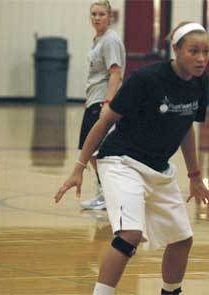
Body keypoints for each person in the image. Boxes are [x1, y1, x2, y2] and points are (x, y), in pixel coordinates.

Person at [54, 22, 209, 295]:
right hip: (121, 161)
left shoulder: (201, 82)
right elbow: (105, 121)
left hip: (159, 168)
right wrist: (79, 167)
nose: (201, 58)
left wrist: (195, 176)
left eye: (206, 52)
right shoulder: (146, 79)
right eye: (193, 51)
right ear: (175, 50)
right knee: (129, 236)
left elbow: (186, 127)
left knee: (182, 239)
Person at [79, 0, 126, 210]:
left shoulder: (110, 40)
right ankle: (103, 191)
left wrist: (108, 104)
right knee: (89, 150)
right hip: (93, 100)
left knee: (97, 151)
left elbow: (115, 73)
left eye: (101, 14)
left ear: (110, 17)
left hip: (102, 101)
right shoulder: (98, 39)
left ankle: (106, 194)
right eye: (94, 14)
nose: (97, 18)